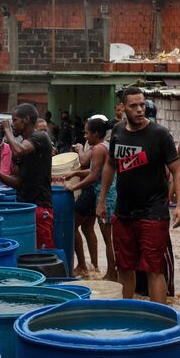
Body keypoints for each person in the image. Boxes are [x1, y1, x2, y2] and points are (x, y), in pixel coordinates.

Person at [97, 86, 180, 304]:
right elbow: (110, 165)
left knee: (154, 269)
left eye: (142, 105)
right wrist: (101, 200)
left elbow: (177, 171)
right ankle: (126, 318)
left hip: (153, 212)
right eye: (133, 106)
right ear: (122, 108)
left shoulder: (159, 134)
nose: (139, 110)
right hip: (123, 211)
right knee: (125, 267)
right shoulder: (118, 131)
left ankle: (158, 323)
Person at [0, 103, 54, 249]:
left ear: (26, 119)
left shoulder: (40, 137)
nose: (12, 124)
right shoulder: (18, 147)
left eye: (14, 120)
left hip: (40, 206)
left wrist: (6, 130)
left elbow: (20, 150)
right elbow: (18, 182)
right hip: (24, 207)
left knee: (44, 254)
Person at [65, 118, 116, 280]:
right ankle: (107, 271)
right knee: (109, 238)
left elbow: (94, 176)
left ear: (96, 133)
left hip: (105, 196)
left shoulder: (98, 149)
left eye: (87, 133)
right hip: (111, 194)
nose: (85, 136)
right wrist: (76, 173)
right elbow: (97, 171)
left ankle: (111, 275)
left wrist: (73, 187)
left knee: (109, 239)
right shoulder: (106, 146)